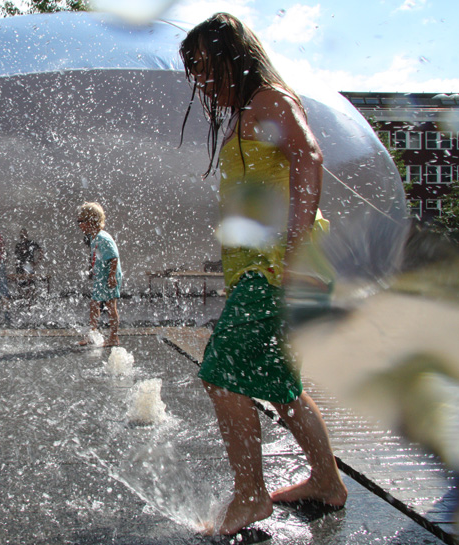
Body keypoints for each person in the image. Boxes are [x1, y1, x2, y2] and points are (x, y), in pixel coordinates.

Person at [179, 13, 347, 535]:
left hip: (279, 267)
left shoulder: (271, 99)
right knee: (280, 384)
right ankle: (327, 481)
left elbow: (309, 156)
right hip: (267, 268)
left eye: (206, 69)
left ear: (234, 58)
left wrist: (293, 249)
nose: (202, 84)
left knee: (221, 373)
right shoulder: (248, 110)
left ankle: (251, 495)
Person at [76, 202, 122, 347]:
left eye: (81, 221)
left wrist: (112, 276)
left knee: (110, 306)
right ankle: (92, 335)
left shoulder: (103, 238)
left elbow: (114, 257)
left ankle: (114, 337)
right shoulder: (94, 238)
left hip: (109, 277)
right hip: (101, 277)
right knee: (94, 305)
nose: (79, 225)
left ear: (91, 221)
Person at [13, 227, 44, 299]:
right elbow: (16, 257)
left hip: (28, 266)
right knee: (21, 283)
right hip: (20, 267)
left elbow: (41, 251)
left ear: (26, 235)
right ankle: (23, 297)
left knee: (30, 282)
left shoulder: (31, 243)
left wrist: (37, 262)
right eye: (21, 234)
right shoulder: (18, 245)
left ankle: (29, 296)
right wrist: (17, 264)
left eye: (24, 234)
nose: (22, 236)